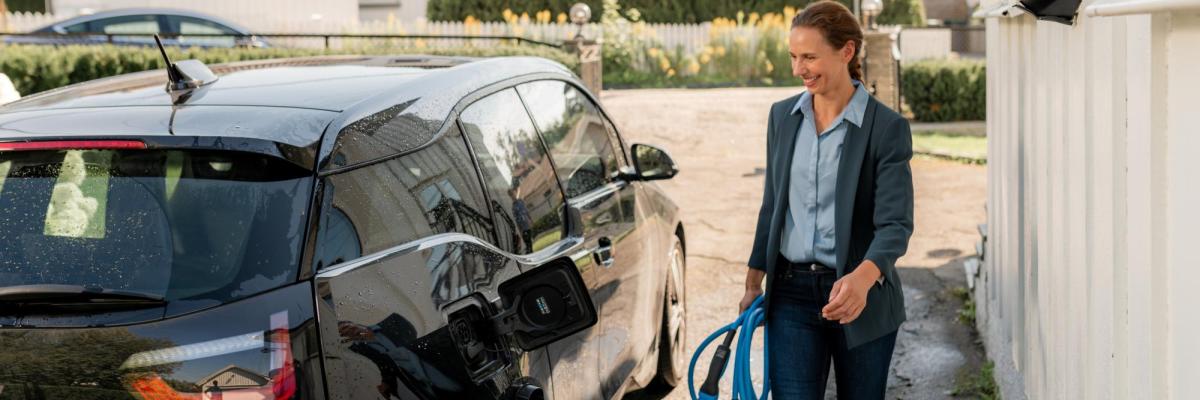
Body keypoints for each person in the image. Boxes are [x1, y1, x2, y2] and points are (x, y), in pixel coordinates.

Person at [742, 2, 914, 399]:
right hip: (791, 295)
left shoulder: (886, 128)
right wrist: (753, 281)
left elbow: (895, 225)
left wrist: (861, 279)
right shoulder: (782, 117)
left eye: (809, 57)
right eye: (793, 57)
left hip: (862, 296)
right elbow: (773, 205)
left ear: (847, 52)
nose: (798, 69)